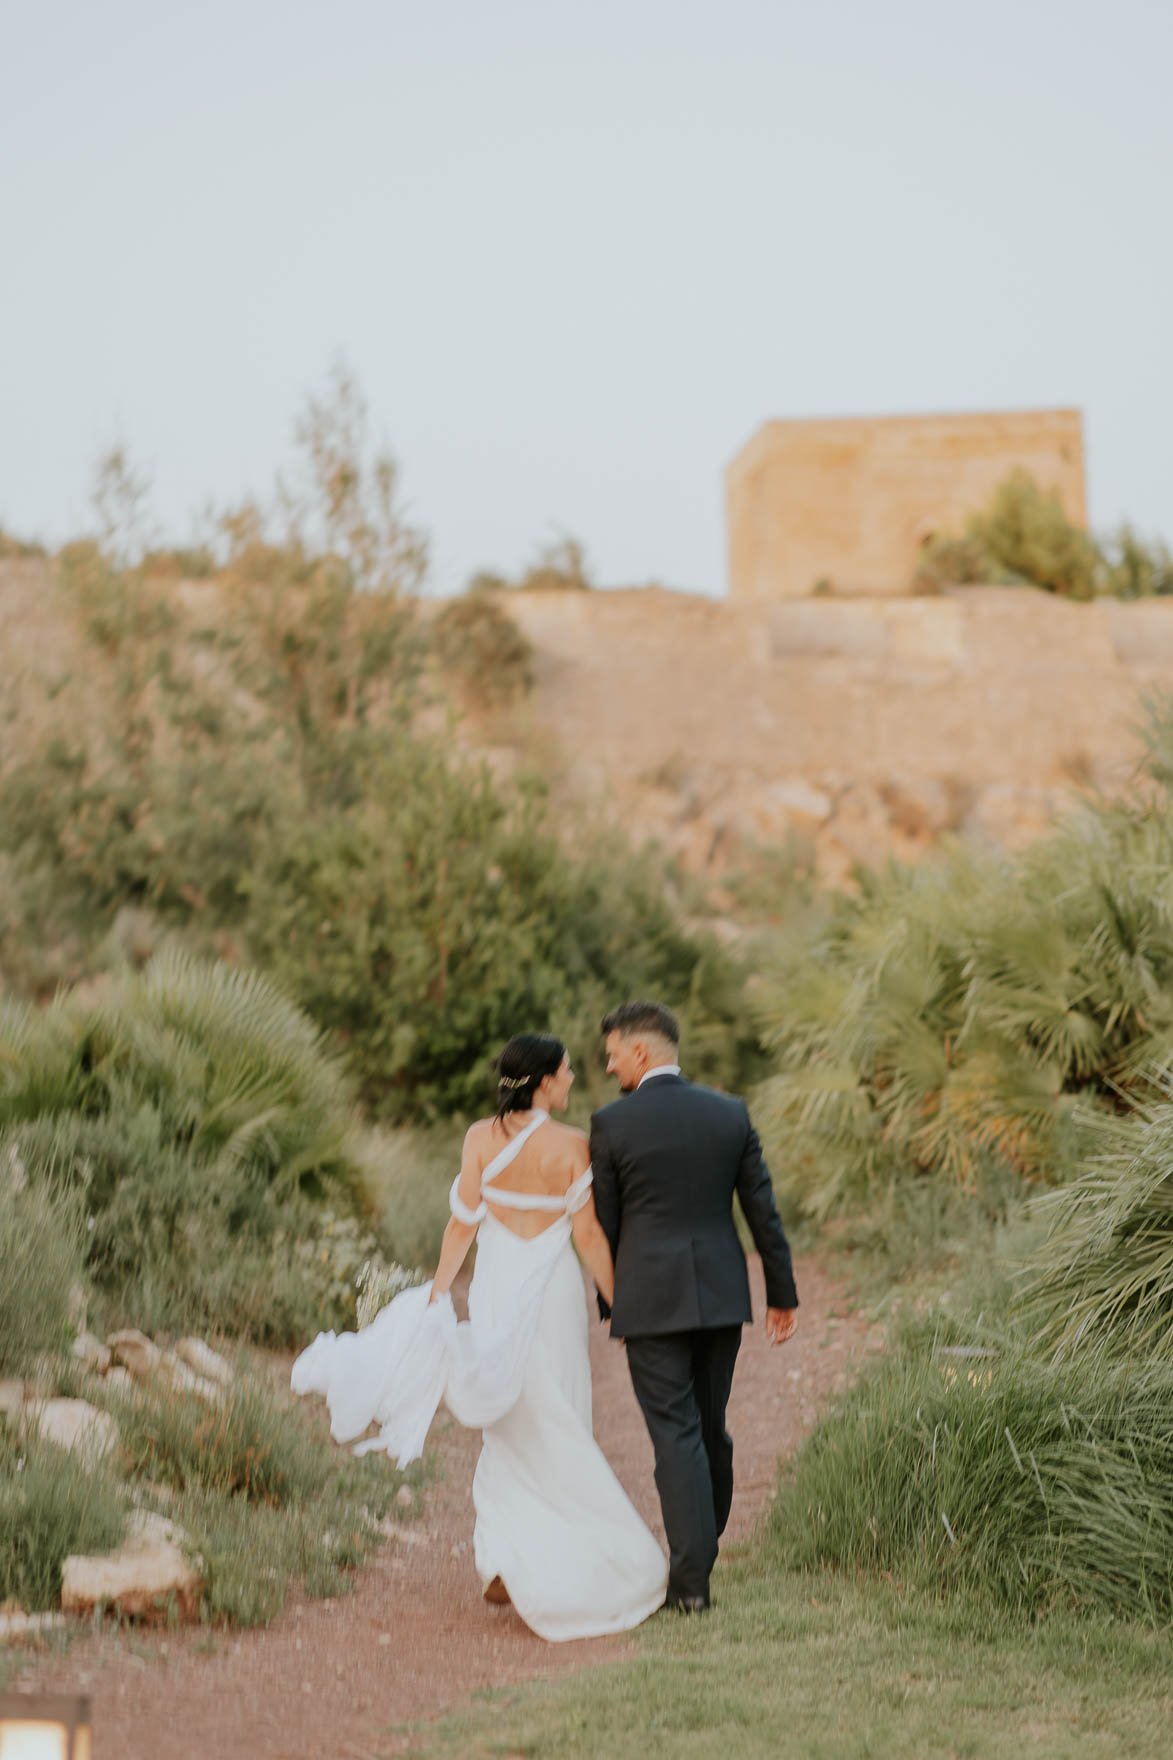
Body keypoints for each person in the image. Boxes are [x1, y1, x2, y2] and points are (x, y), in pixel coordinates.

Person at [291, 1032, 667, 1642]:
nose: (573, 1081)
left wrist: (437, 1297)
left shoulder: (476, 1140)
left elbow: (461, 1226)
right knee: (562, 1415)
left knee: (511, 1422)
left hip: (495, 1292)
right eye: (567, 1073)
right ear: (543, 1081)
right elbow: (590, 1239)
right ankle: (560, 1561)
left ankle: (504, 1558)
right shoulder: (572, 1146)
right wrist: (622, 1311)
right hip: (550, 1298)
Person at [590, 1000, 798, 1613]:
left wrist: (612, 1308)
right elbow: (764, 1211)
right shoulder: (728, 1114)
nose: (608, 1066)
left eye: (613, 1054)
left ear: (641, 1052)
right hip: (721, 1298)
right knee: (709, 1429)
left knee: (676, 1436)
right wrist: (781, 1294)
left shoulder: (612, 1124)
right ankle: (700, 1553)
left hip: (650, 1302)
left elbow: (605, 1225)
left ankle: (690, 1586)